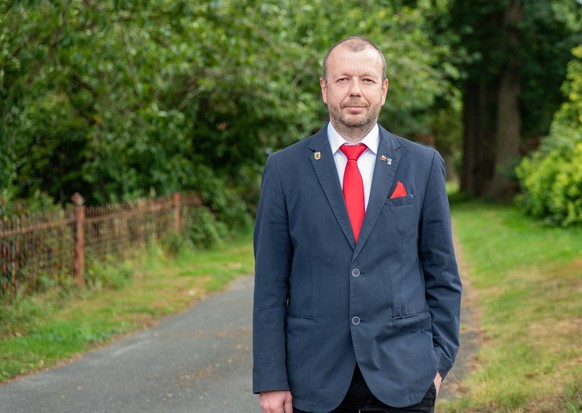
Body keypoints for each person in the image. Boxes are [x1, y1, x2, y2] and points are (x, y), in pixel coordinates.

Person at [252, 36, 462, 413]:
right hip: (312, 382)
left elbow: (442, 273)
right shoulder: (284, 170)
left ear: (383, 90)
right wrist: (271, 379)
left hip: (405, 377)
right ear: (324, 89)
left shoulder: (423, 165)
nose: (354, 91)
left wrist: (438, 361)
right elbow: (270, 284)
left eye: (366, 80)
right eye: (342, 79)